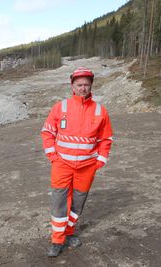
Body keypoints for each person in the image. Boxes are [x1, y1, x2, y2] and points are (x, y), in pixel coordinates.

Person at [40, 67, 113, 257]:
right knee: (59, 202)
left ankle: (69, 232)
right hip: (62, 165)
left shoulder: (100, 110)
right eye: (79, 84)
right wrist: (53, 157)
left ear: (91, 86)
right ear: (72, 85)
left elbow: (106, 139)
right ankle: (57, 240)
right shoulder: (60, 107)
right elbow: (47, 132)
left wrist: (100, 161)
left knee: (78, 203)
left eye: (86, 85)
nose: (83, 88)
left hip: (87, 167)